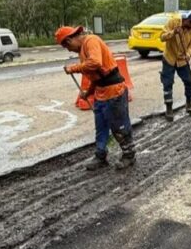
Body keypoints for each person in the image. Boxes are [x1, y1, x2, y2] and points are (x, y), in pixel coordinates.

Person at [57, 25, 135, 170]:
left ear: (69, 40)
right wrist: (88, 92)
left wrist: (73, 68)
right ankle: (100, 156)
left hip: (114, 91)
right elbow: (96, 76)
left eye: (67, 47)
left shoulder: (91, 41)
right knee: (101, 127)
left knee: (119, 125)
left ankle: (129, 155)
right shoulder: (82, 50)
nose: (69, 50)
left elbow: (95, 62)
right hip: (101, 92)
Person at [160, 10, 191, 121]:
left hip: (182, 60)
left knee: (189, 81)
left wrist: (188, 54)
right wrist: (173, 32)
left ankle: (188, 102)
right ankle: (169, 108)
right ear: (187, 20)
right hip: (169, 58)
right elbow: (162, 37)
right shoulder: (173, 22)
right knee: (167, 83)